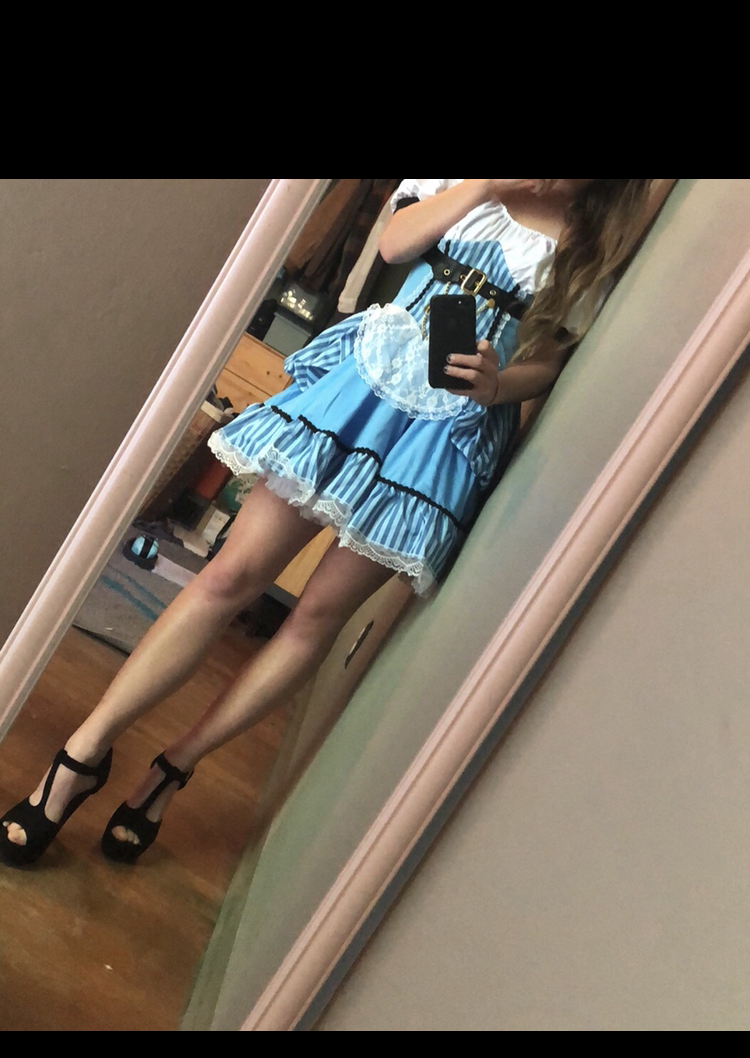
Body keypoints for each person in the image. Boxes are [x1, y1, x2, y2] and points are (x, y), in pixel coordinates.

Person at [1, 178, 654, 867]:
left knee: (314, 620)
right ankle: (83, 753)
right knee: (228, 577)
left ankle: (175, 766)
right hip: (362, 385)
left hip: (446, 441)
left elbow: (550, 362)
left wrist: (499, 386)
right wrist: (485, 184)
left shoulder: (597, 241)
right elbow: (396, 241)